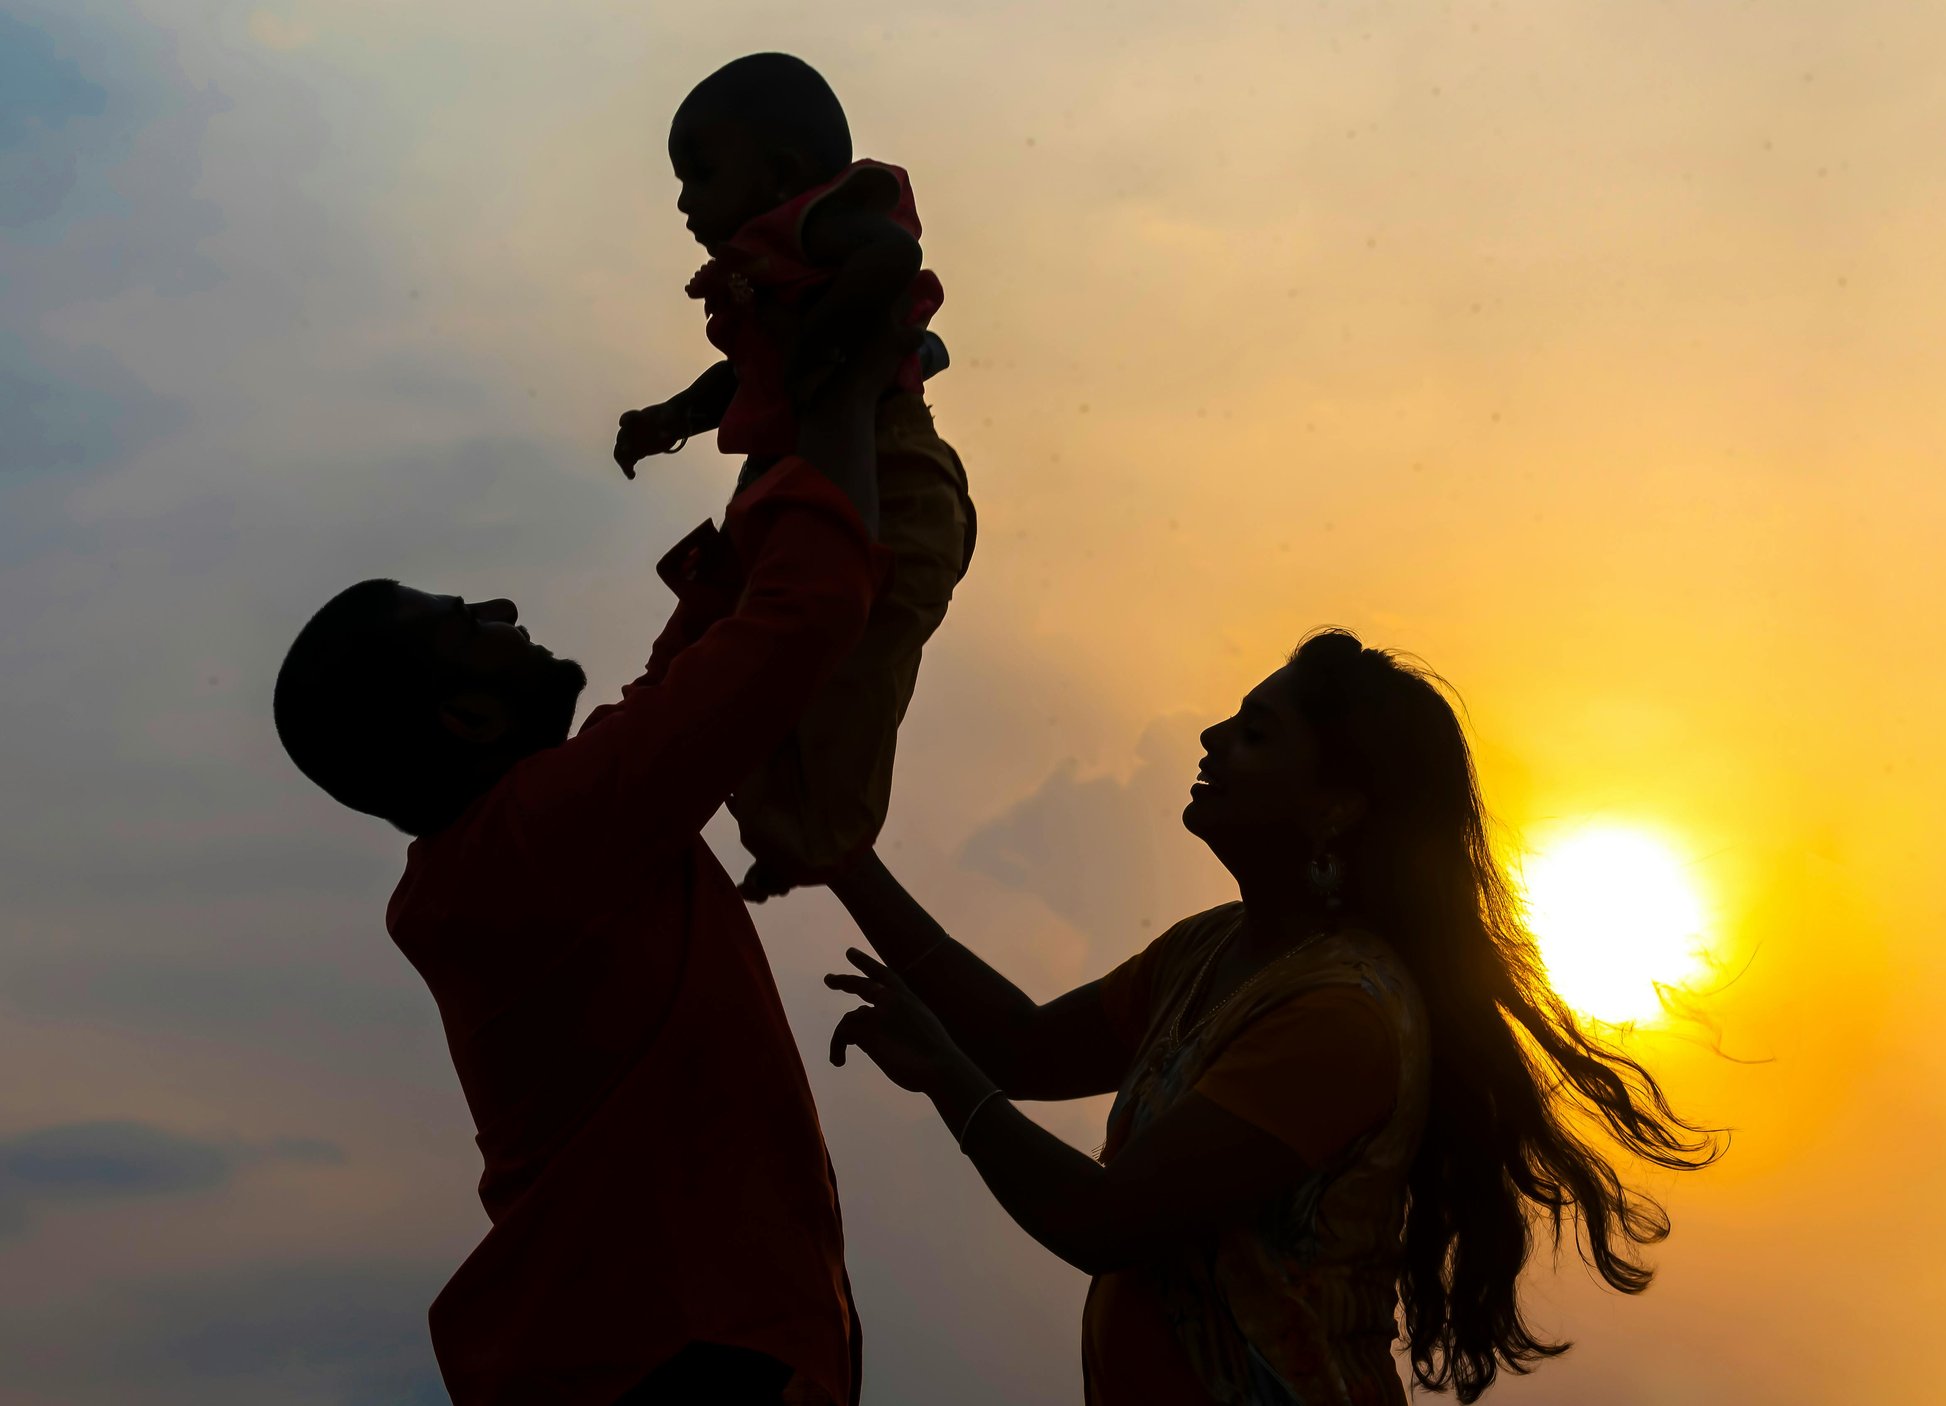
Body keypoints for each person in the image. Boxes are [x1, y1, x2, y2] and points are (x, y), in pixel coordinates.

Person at [269, 269, 927, 1404]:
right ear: (465, 718)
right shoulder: (541, 838)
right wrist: (851, 394)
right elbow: (801, 616)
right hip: (666, 1363)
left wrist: (775, 449)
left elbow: (687, 674)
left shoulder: (531, 842)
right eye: (463, 620)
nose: (502, 610)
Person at [824, 630, 1721, 1405]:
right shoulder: (1209, 950)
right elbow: (1022, 1049)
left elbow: (1101, 1222)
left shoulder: (1343, 1015)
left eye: (1255, 735)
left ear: (1334, 810)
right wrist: (843, 860)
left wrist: (946, 1077)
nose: (1211, 739)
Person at [613, 51, 974, 904]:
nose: (684, 201)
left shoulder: (813, 225)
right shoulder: (771, 267)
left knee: (853, 664)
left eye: (701, 174)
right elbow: (747, 372)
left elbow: (888, 256)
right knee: (742, 655)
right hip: (791, 479)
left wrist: (831, 352)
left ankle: (819, 832)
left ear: (781, 173)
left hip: (887, 471)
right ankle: (782, 818)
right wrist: (673, 416)